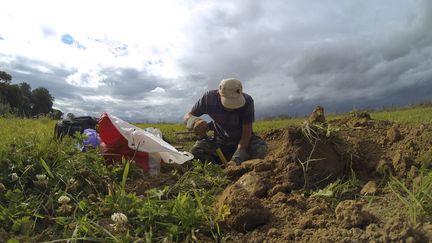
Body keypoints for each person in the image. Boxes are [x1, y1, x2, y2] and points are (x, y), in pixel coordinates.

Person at [183, 78, 268, 164]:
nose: (232, 107)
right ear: (219, 94)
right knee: (196, 152)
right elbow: (187, 116)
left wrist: (237, 157)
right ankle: (218, 168)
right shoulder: (208, 99)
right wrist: (194, 121)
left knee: (260, 151)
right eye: (228, 103)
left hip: (243, 140)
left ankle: (240, 161)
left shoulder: (247, 101)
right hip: (220, 140)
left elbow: (247, 133)